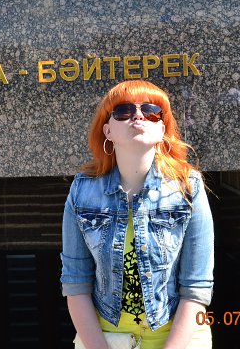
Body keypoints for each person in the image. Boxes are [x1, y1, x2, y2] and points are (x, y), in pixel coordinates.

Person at [60, 80, 214, 349]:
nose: (138, 116)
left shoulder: (188, 188)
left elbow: (196, 287)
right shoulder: (82, 191)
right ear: (107, 130)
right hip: (105, 338)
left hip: (181, 338)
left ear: (162, 129)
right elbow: (76, 283)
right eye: (124, 111)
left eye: (151, 111)